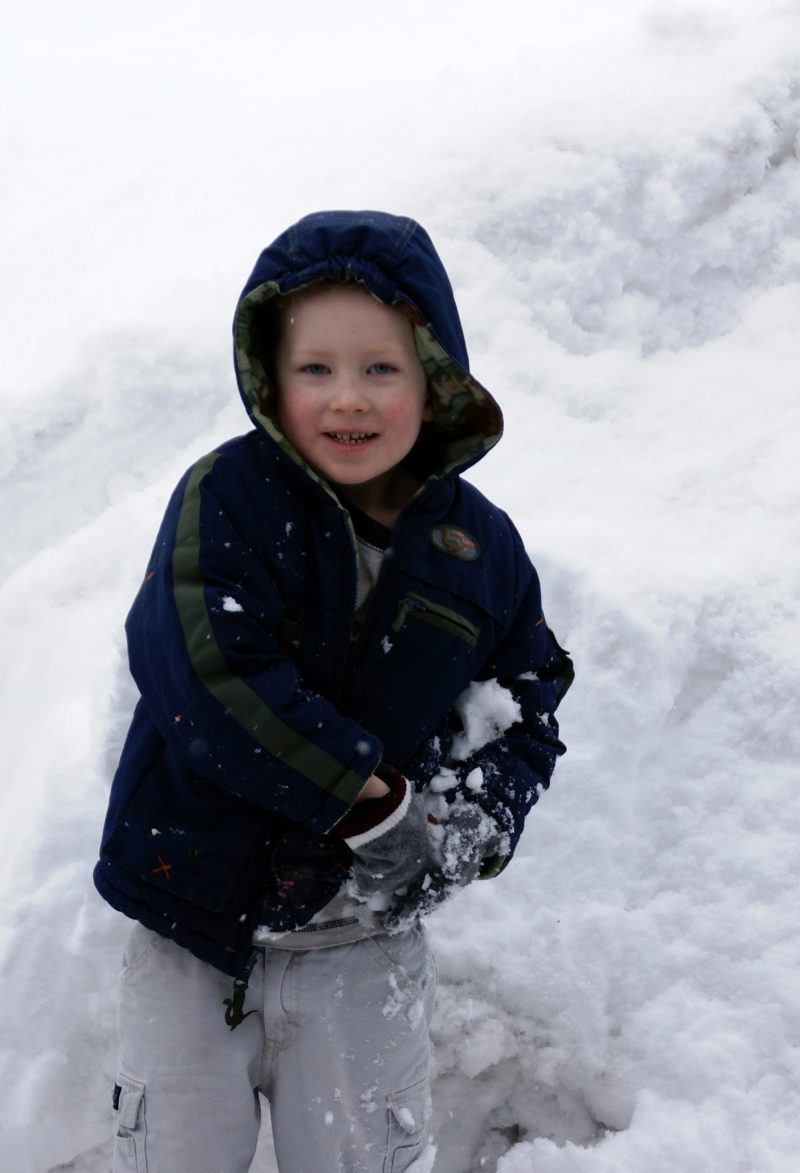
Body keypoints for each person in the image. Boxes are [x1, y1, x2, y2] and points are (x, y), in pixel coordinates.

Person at [93, 209, 571, 1173]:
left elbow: (524, 705)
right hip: (191, 929)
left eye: (380, 368)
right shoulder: (227, 498)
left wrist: (464, 829)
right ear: (269, 380)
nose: (347, 398)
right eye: (315, 368)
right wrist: (369, 799)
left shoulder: (477, 548)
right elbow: (209, 673)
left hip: (362, 948)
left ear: (433, 379)